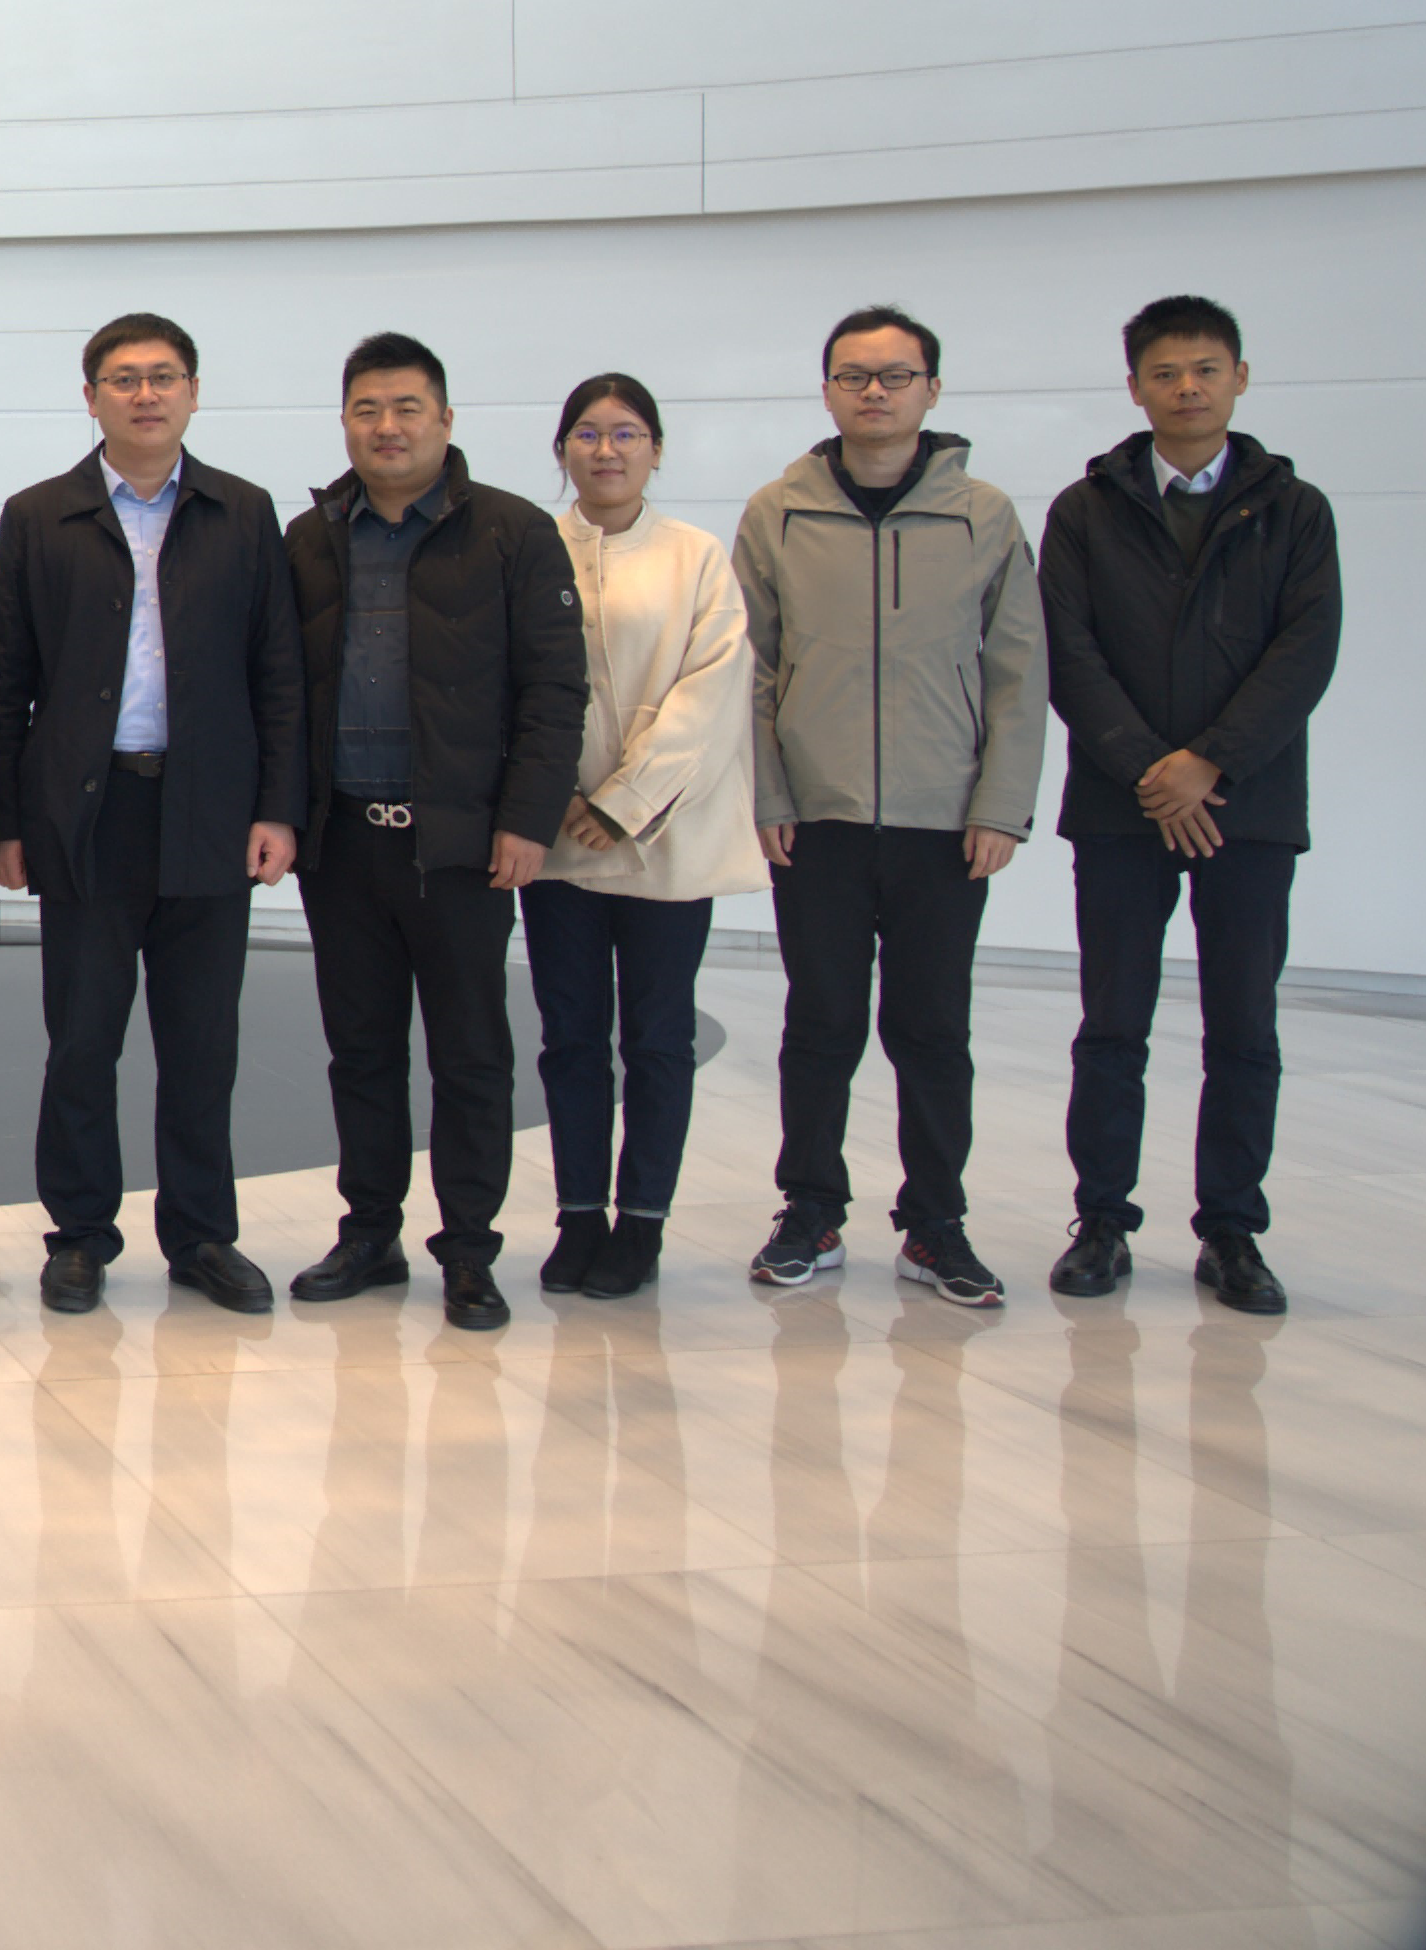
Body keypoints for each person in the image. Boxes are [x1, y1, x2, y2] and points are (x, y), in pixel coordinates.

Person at [0, 312, 302, 1320]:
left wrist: (278, 808)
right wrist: (1, 819)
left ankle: (201, 1235)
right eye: (123, 378)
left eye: (164, 376)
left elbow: (279, 674)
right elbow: (1, 681)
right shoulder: (40, 516)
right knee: (82, 1041)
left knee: (201, 1045)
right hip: (85, 813)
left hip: (210, 810)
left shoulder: (243, 512)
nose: (145, 394)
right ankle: (78, 1236)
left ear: (193, 392)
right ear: (91, 398)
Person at [737, 304, 1047, 1307]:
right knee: (820, 1023)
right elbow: (750, 669)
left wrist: (1000, 804)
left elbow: (1017, 669)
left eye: (895, 375)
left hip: (942, 821)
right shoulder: (777, 512)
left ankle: (935, 1223)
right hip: (815, 818)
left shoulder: (983, 515)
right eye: (853, 376)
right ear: (826, 389)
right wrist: (767, 791)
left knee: (931, 1030)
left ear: (931, 389)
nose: (874, 392)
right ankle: (809, 1210)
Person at [284, 334, 588, 1332]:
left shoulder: (510, 531)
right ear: (344, 422)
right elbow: (279, 691)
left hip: (458, 844)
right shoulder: (311, 537)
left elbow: (554, 690)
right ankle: (368, 1233)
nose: (387, 427)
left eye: (406, 407)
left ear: (444, 420)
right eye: (367, 409)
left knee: (469, 1054)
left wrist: (526, 819)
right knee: (360, 1049)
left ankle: (467, 1249)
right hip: (343, 842)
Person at [1041, 294, 1338, 1314]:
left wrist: (1208, 764)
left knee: (1243, 1028)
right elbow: (1068, 652)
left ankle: (1231, 1232)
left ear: (1238, 378)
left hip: (1247, 808)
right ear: (1134, 388)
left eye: (1206, 369)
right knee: (1111, 1024)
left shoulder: (1293, 509)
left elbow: (1304, 652)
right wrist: (1151, 771)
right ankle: (1100, 1222)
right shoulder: (1084, 510)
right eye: (1164, 373)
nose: (1186, 388)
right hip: (1119, 808)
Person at [525, 373, 763, 1301]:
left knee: (658, 1040)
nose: (607, 450)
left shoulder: (696, 556)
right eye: (587, 433)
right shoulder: (530, 546)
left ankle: (644, 1224)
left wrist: (625, 801)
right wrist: (555, 797)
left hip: (666, 837)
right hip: (556, 840)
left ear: (656, 449)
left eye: (626, 433)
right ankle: (580, 1215)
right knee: (571, 1039)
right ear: (562, 450)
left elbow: (714, 692)